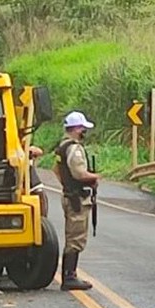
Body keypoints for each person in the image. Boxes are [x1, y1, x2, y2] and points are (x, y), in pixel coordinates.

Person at [53, 111, 101, 291]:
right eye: (83, 129)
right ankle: (70, 276)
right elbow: (79, 173)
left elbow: (56, 170)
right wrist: (94, 177)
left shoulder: (62, 147)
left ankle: (70, 275)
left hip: (69, 195)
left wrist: (66, 186)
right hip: (76, 199)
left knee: (72, 235)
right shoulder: (74, 148)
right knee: (76, 238)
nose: (84, 133)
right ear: (76, 129)